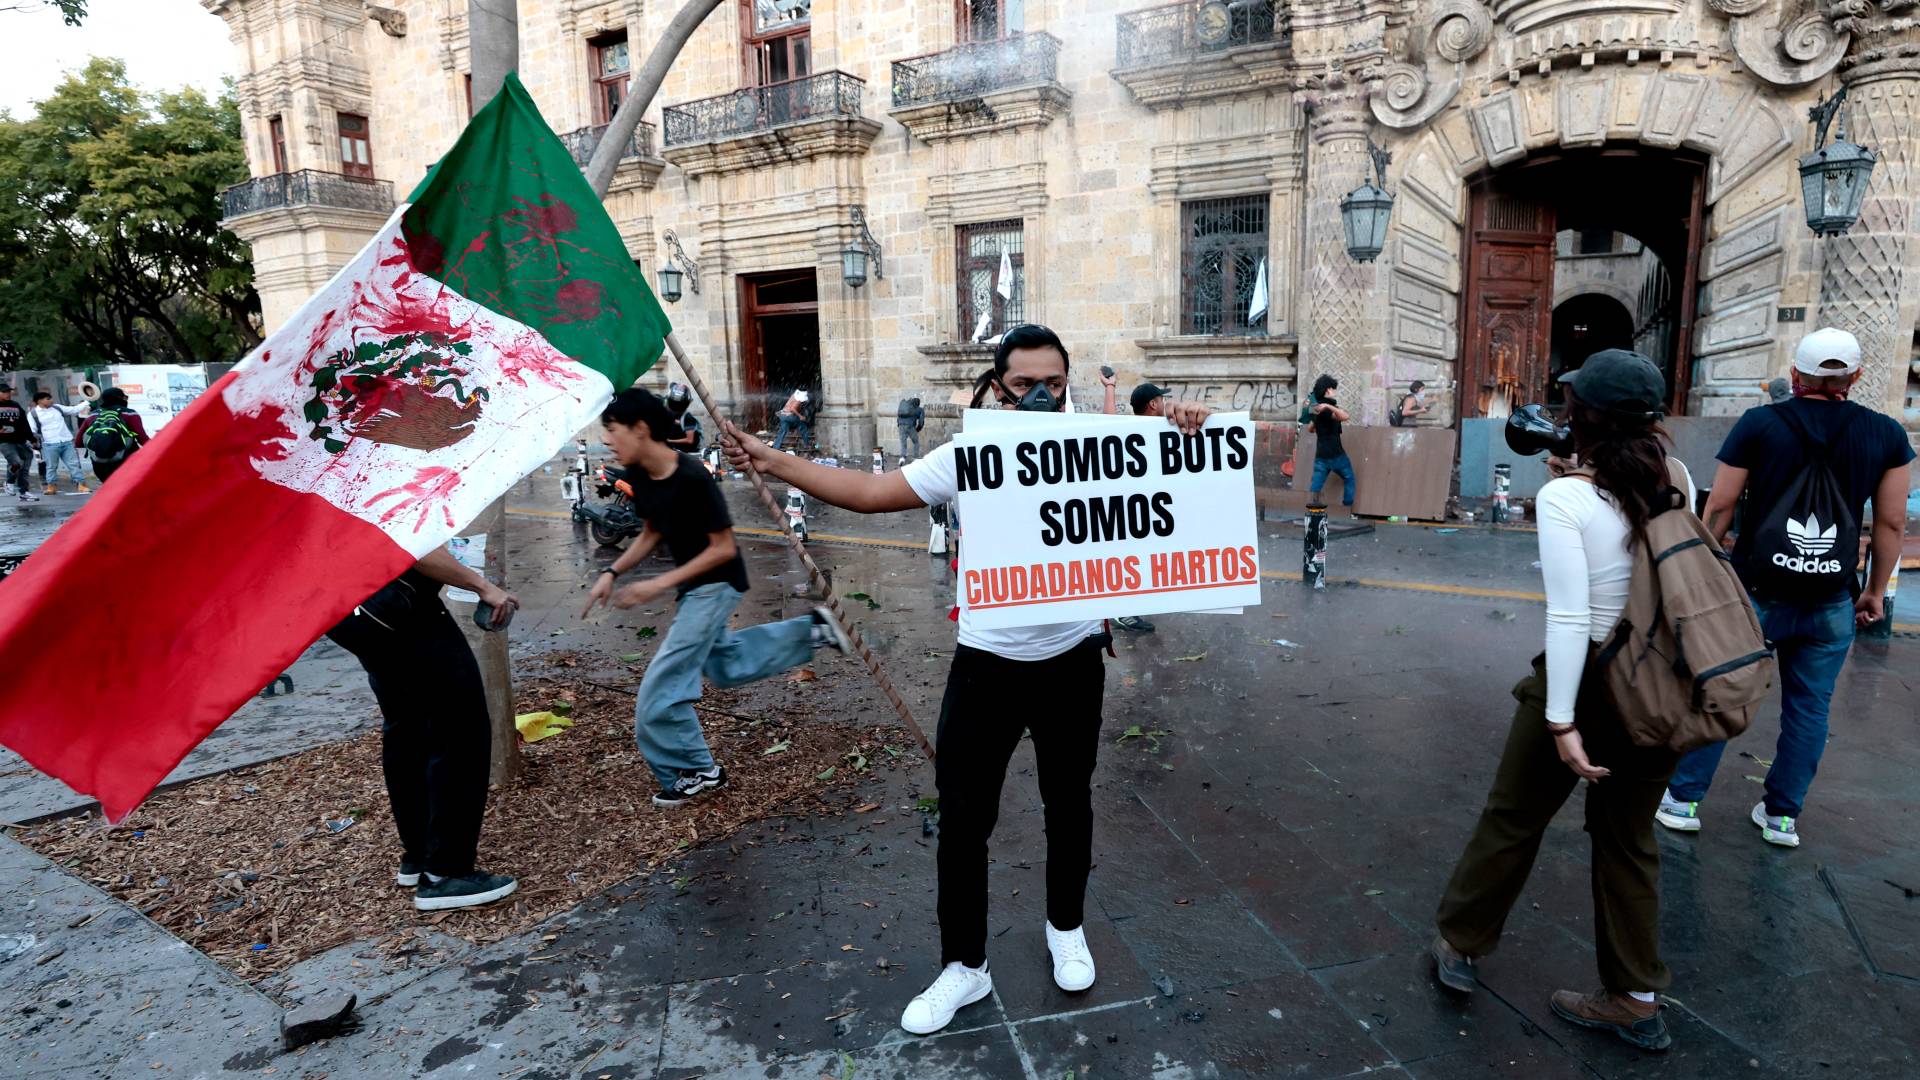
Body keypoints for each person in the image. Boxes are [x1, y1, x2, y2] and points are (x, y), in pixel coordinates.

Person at [721, 324, 1214, 1038]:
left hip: (1073, 661)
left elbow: (1173, 459)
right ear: (996, 387)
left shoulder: (1102, 443)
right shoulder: (972, 452)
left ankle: (1065, 928)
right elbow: (868, 490)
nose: (1042, 396)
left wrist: (1181, 416)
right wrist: (775, 461)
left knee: (1069, 804)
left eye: (1053, 383)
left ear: (1067, 383)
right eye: (1025, 385)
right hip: (985, 665)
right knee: (963, 821)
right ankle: (965, 966)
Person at [1432, 349, 1693, 1053]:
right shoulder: (1677, 478)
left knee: (1513, 816)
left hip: (1581, 686)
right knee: (1629, 843)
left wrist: (1560, 720)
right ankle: (1637, 997)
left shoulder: (1565, 498)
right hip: (1658, 688)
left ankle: (1460, 943)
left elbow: (1573, 617)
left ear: (1582, 418)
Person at [1657, 328, 1913, 847]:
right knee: (1809, 709)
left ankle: (1683, 801)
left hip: (1756, 594)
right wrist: (1874, 591)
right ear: (1856, 378)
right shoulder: (1886, 435)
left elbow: (1722, 506)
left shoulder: (1760, 424)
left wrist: (1708, 572)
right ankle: (1781, 817)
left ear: (1795, 375)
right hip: (1830, 600)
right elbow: (1889, 526)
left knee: (1721, 689)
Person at [582, 388, 850, 807]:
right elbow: (653, 529)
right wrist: (612, 571)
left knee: (663, 685)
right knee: (725, 665)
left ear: (640, 429)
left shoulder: (692, 477)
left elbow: (723, 548)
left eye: (613, 430)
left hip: (718, 583)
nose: (607, 440)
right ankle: (813, 632)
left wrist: (656, 585)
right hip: (696, 589)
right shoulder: (637, 474)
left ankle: (695, 770)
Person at [326, 548, 522, 910]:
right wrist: (482, 586)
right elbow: (410, 545)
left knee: (408, 727)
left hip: (354, 610)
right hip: (402, 608)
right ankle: (447, 873)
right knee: (461, 730)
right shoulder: (376, 489)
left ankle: (419, 856)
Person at [77, 388, 149, 484]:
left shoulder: (93, 415)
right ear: (120, 398)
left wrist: (101, 444)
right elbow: (143, 439)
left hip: (100, 465)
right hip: (127, 463)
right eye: (125, 397)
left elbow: (78, 442)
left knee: (112, 494)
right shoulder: (130, 414)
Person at [1305, 374, 1355, 509]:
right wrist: (1330, 406)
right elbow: (1345, 416)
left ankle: (1311, 510)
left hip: (1321, 455)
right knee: (1349, 478)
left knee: (1316, 485)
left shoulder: (1316, 408)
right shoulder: (1326, 408)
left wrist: (1317, 420)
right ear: (1327, 390)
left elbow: (1310, 429)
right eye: (1333, 389)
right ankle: (1346, 509)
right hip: (1336, 453)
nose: (1334, 392)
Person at [29, 392, 90, 495]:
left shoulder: (57, 408)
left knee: (74, 464)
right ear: (39, 401)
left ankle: (81, 485)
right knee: (51, 466)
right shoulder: (33, 413)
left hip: (66, 441)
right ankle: (51, 486)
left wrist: (87, 401)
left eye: (50, 398)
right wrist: (34, 442)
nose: (51, 400)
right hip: (49, 443)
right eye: (47, 399)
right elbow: (32, 430)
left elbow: (73, 410)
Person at [0, 383, 36, 502]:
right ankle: (9, 482)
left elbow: (24, 423)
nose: (8, 394)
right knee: (16, 462)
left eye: (9, 391)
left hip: (20, 440)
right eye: (4, 392)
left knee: (25, 465)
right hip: (4, 441)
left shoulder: (15, 405)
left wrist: (32, 438)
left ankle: (24, 492)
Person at [663, 381, 704, 454]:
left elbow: (689, 440)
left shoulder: (688, 418)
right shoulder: (672, 414)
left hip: (688, 453)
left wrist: (669, 441)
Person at [772, 388, 815, 452]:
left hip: (782, 415)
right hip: (788, 416)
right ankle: (807, 445)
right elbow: (792, 409)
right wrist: (800, 416)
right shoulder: (799, 399)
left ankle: (776, 447)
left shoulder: (794, 395)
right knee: (803, 427)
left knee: (783, 431)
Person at [896, 396, 925, 461]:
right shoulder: (920, 409)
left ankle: (902, 458)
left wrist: (899, 425)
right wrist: (917, 429)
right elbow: (921, 422)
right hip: (910, 426)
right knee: (916, 442)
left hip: (901, 425)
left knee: (903, 443)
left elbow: (898, 416)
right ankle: (916, 457)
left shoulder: (905, 408)